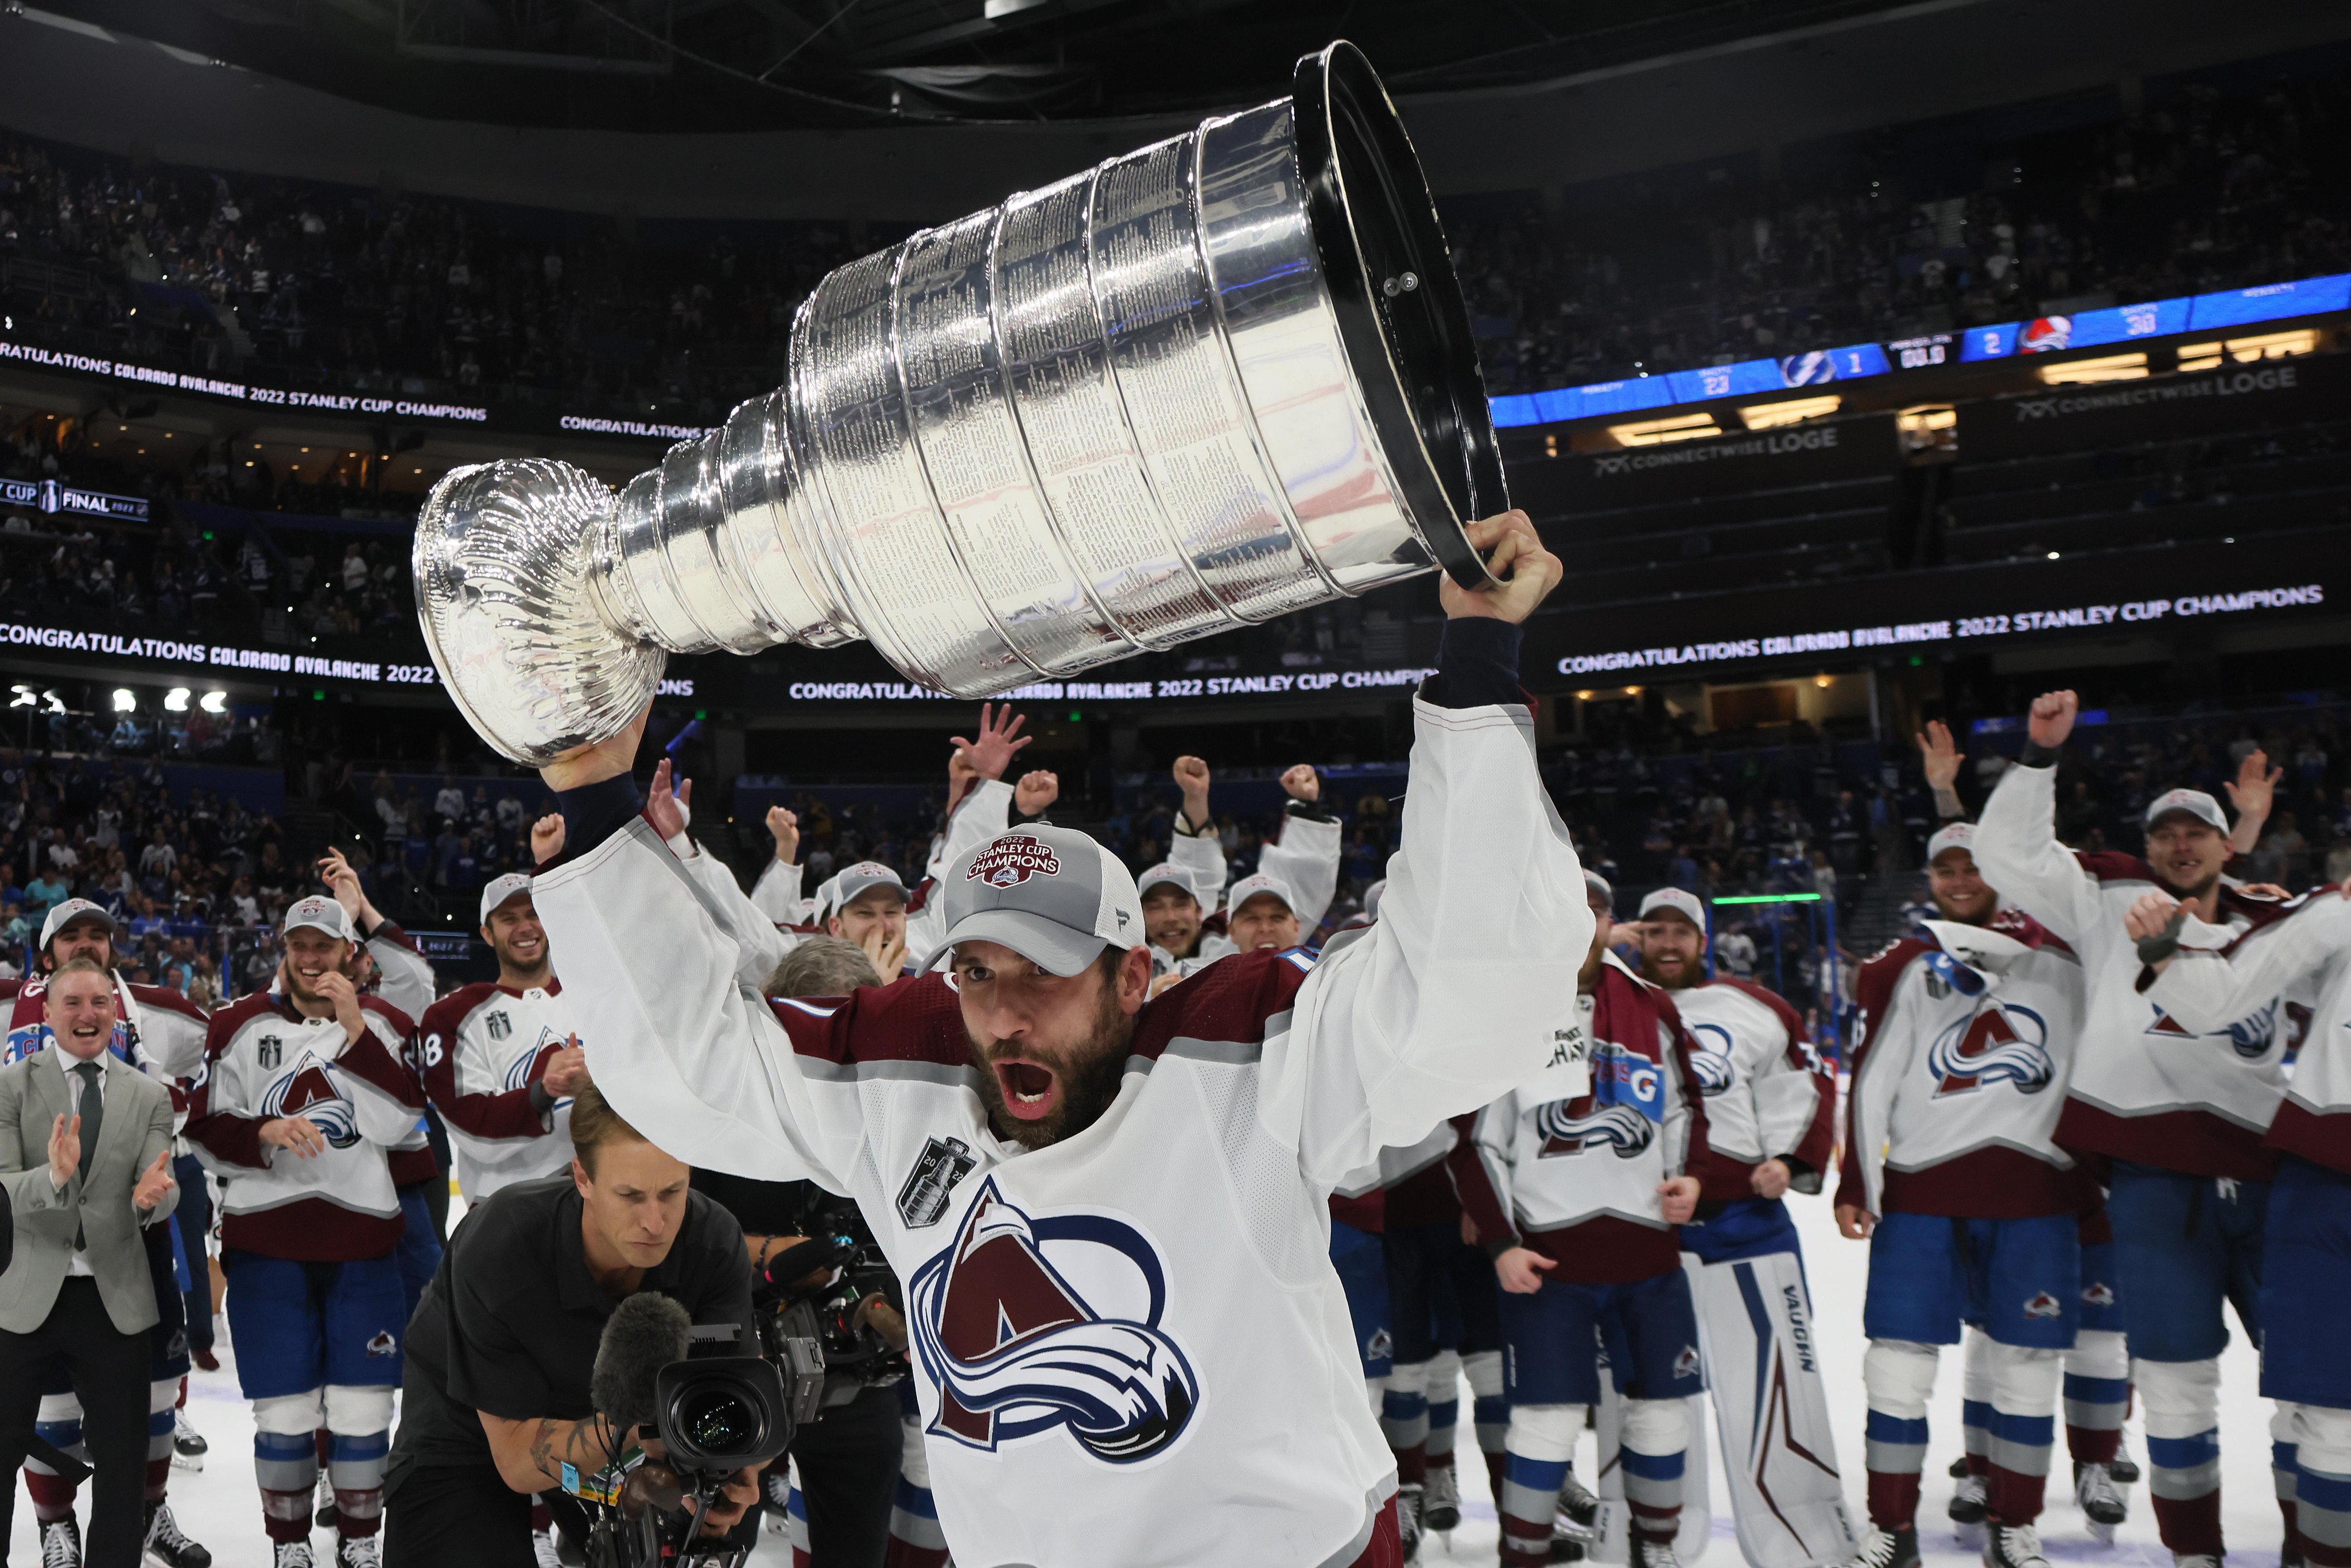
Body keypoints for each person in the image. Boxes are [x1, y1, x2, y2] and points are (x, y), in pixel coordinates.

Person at [528, 509, 1580, 1567]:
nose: (1004, 1012)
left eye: (1045, 971)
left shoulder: (1248, 1044)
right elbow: (684, 1063)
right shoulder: (903, 1064)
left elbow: (1472, 992)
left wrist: (1479, 657)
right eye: (978, 971)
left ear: (1133, 975)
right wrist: (590, 793)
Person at [1974, 690, 2291, 1567]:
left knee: (2316, 1385)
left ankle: (2313, 1540)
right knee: (2177, 1387)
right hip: (2153, 1182)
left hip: (2272, 1184)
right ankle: (2195, 1554)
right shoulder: (2108, 897)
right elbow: (2006, 853)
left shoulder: (2274, 918)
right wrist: (2039, 755)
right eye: (2165, 835)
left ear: (2229, 844)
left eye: (2198, 832)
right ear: (2147, 848)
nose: (2178, 846)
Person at [1833, 822, 2097, 1568]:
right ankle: (1893, 1528)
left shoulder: (2067, 961)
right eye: (1945, 869)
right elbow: (1872, 1079)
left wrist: (2095, 1175)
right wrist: (1858, 1180)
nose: (1958, 880)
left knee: (2026, 1369)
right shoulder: (1900, 967)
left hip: (2036, 1199)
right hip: (1921, 1195)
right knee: (1896, 1365)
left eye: (1972, 867)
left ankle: (2014, 1526)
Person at [381, 1084, 761, 1564]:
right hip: (472, 1420)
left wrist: (735, 1465)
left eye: (672, 1192)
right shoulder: (501, 1243)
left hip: (632, 1419)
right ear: (582, 1177)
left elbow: (742, 1391)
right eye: (630, 1195)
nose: (655, 1222)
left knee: (709, 1530)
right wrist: (656, 1428)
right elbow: (519, 1463)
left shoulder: (713, 1239)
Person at [1452, 871, 1709, 1568]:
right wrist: (1502, 1242)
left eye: (1591, 909)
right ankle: (1525, 1554)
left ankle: (1654, 1548)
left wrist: (1691, 1175)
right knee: (1545, 1417)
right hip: (1549, 1258)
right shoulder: (1506, 1013)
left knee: (1661, 1407)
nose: (1577, 921)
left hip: (1646, 1251)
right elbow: (1475, 1141)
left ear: (1607, 921)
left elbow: (1685, 1108)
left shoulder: (1651, 1006)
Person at [185, 895, 428, 1568]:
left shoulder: (385, 1022)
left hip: (365, 1241)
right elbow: (200, 1128)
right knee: (285, 1413)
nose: (312, 958)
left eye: (326, 945)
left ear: (351, 952)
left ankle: (359, 1539)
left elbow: (400, 1123)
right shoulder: (236, 1022)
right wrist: (261, 1130)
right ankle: (290, 1546)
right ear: (284, 947)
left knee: (362, 1407)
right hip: (266, 1244)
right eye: (301, 944)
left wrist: (355, 1030)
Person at [2123, 880, 2351, 1568]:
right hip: (2326, 1185)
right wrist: (2163, 946)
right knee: (2328, 1412)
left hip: (2317, 1188)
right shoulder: (2337, 910)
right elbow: (2221, 996)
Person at [1632, 887, 1846, 1568]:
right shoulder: (1609, 1006)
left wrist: (1787, 1158)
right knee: (1651, 1394)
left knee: (1779, 1387)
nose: (1667, 944)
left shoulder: (1757, 1007)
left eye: (1681, 932)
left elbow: (1807, 1087)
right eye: (1656, 930)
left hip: (1744, 1223)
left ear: (1704, 939)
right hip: (1640, 1232)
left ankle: (1804, 1536)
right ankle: (1650, 1534)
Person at [697, 934, 925, 1568]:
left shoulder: (895, 1110)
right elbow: (671, 1233)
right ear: (773, 1021)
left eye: (850, 1028)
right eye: (815, 1028)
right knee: (710, 1541)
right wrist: (773, 1250)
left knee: (855, 1553)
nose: (832, 1051)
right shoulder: (718, 1111)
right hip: (733, 1360)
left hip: (857, 1375)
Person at [0, 898, 214, 1567]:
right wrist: (51, 1177)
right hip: (28, 1262)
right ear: (46, 959)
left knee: (141, 1416)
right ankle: (54, 1521)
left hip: (122, 1263)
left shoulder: (151, 1045)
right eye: (72, 937)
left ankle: (144, 1517)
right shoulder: (12, 1053)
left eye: (99, 935)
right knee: (43, 1415)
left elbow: (216, 1059)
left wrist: (161, 1195)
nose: (87, 946)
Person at [416, 872, 589, 1206]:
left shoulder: (591, 1000)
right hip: (507, 1211)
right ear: (487, 933)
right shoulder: (453, 1016)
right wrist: (545, 1090)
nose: (525, 928)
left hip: (600, 1199)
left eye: (533, 914)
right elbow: (475, 1130)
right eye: (509, 919)